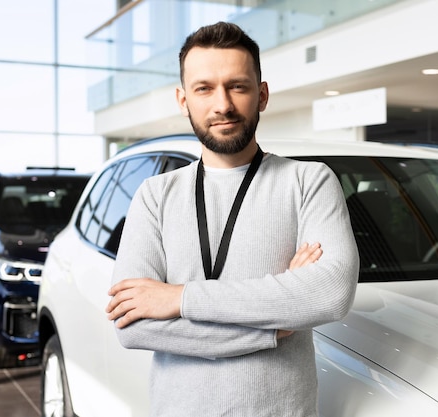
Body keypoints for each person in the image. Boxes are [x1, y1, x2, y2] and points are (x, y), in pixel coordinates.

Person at [106, 21, 359, 417]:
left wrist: (178, 298)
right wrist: (273, 326)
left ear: (262, 95)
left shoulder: (309, 181)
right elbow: (134, 325)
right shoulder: (155, 196)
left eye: (237, 86)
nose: (222, 104)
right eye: (203, 88)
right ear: (183, 99)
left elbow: (329, 294)